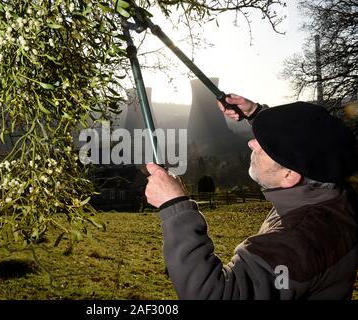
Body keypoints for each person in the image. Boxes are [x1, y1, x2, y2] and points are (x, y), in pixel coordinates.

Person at [145, 94, 358, 299]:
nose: (251, 144)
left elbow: (213, 294)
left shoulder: (296, 242)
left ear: (289, 175)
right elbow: (308, 139)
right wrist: (256, 114)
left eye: (264, 146)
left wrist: (174, 205)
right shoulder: (333, 193)